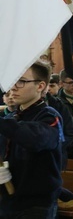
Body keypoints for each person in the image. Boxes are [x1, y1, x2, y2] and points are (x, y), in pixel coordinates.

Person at [0, 60, 64, 218]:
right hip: (8, 200)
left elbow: (35, 139)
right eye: (14, 81)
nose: (14, 87)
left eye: (21, 81)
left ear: (40, 86)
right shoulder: (12, 117)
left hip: (36, 205)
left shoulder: (50, 117)